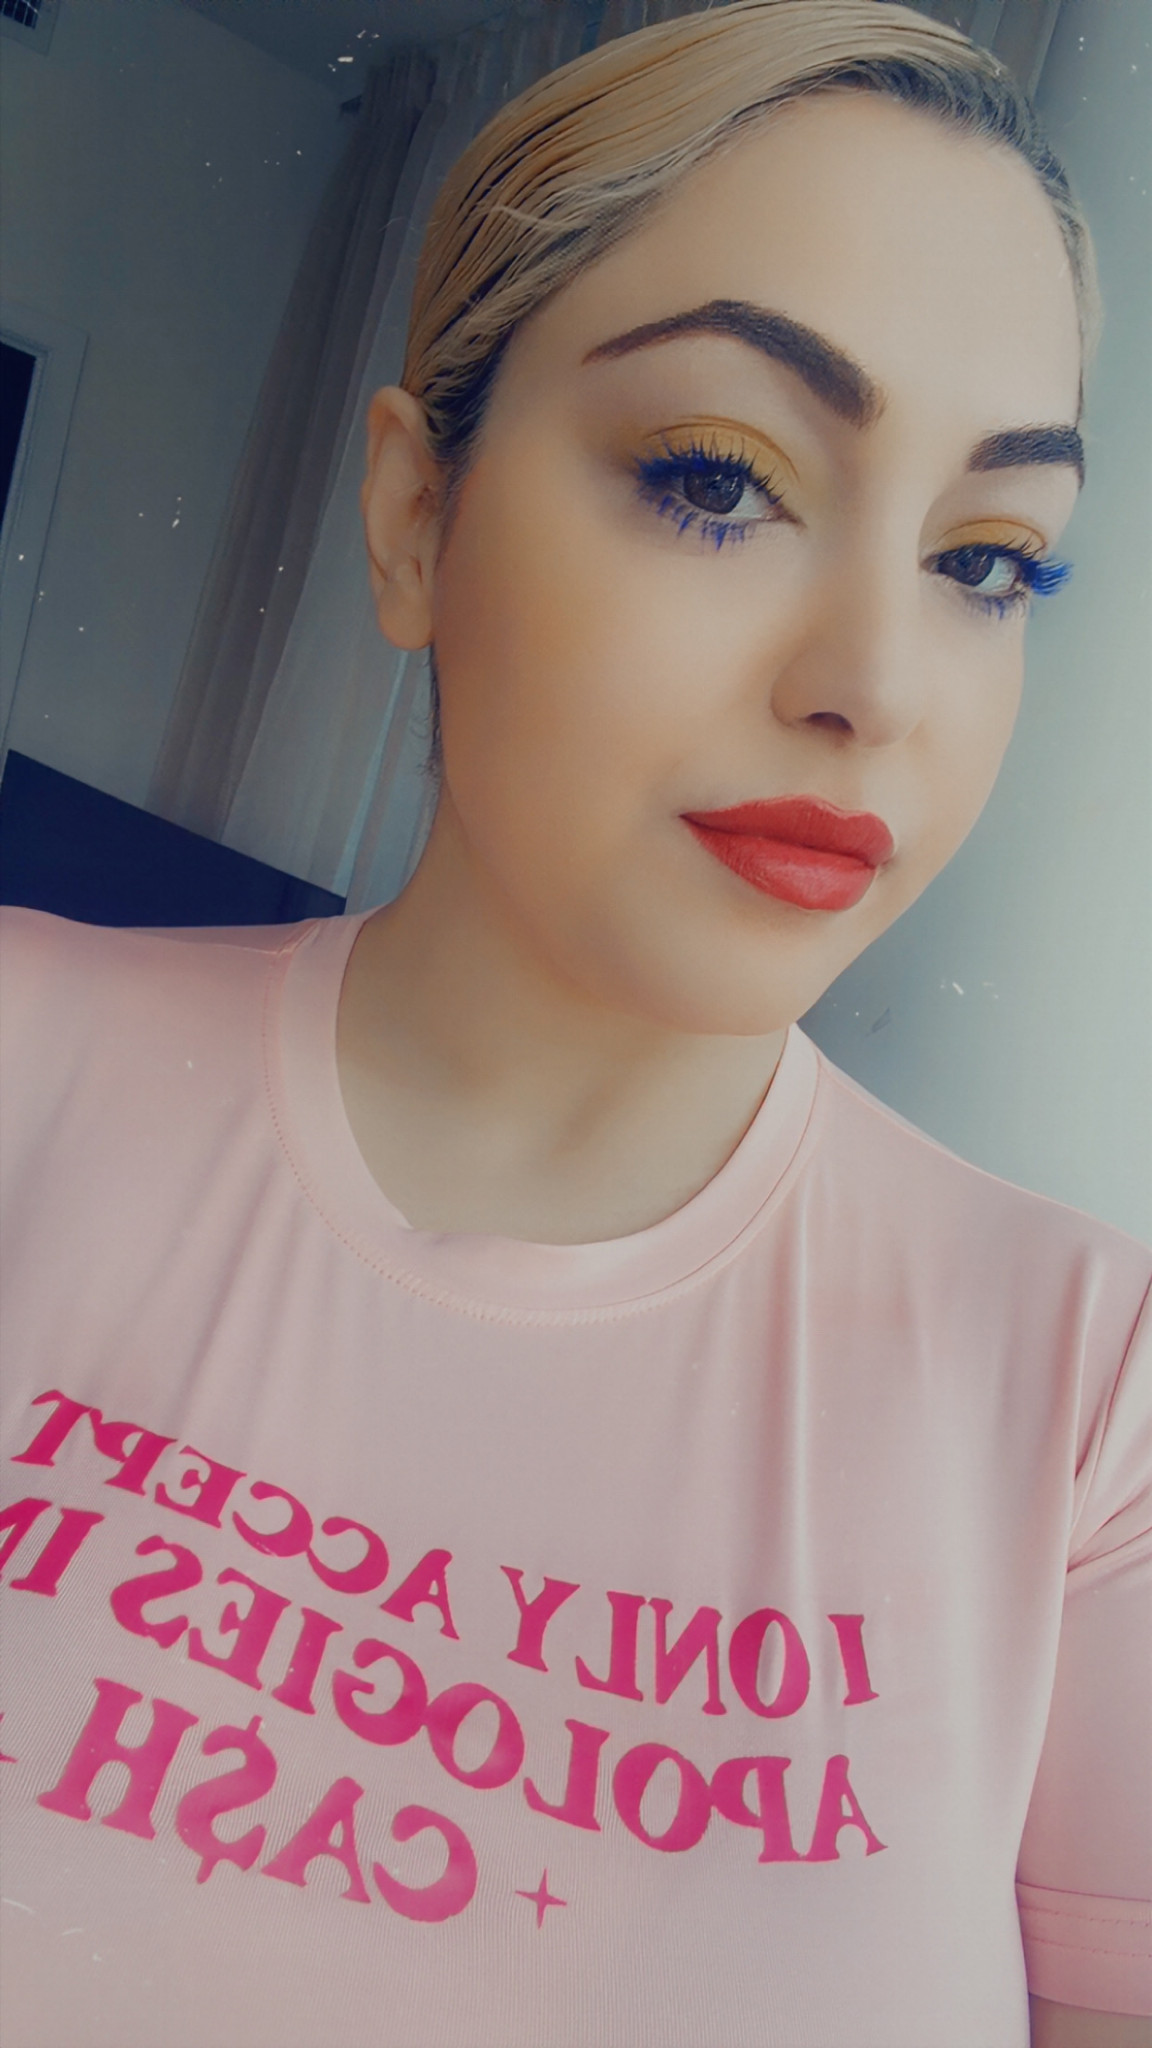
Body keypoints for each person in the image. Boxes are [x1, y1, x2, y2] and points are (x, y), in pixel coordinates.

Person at [0, 3, 1148, 2044]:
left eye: (987, 560)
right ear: (413, 517)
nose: (877, 683)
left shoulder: (1092, 1396)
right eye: (720, 479)